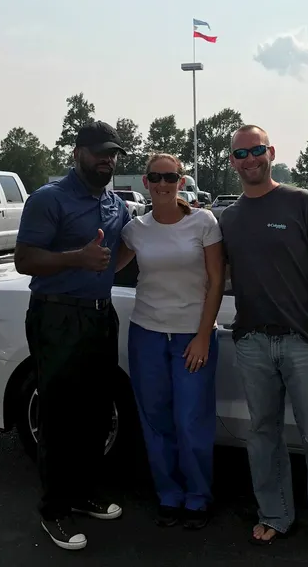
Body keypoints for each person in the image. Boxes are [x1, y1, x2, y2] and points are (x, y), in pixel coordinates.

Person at [218, 125, 308, 560]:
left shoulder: (300, 203)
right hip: (253, 342)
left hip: (303, 341)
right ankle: (274, 514)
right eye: (241, 154)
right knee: (263, 435)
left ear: (271, 152)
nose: (250, 159)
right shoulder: (231, 217)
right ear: (233, 162)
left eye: (256, 150)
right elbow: (215, 276)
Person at [14, 120, 131, 551]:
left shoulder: (115, 204)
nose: (108, 160)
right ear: (78, 151)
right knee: (60, 418)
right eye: (100, 152)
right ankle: (54, 511)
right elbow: (25, 259)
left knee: (96, 413)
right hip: (58, 318)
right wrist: (76, 259)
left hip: (101, 317)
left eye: (113, 153)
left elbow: (118, 255)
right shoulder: (50, 199)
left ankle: (82, 495)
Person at [115, 153, 225, 530]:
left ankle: (197, 496)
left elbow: (216, 281)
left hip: (191, 336)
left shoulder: (203, 222)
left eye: (171, 176)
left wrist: (203, 336)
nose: (163, 183)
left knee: (191, 419)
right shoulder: (136, 229)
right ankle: (169, 494)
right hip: (146, 333)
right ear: (145, 182)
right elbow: (109, 264)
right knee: (155, 418)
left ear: (182, 180)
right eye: (156, 177)